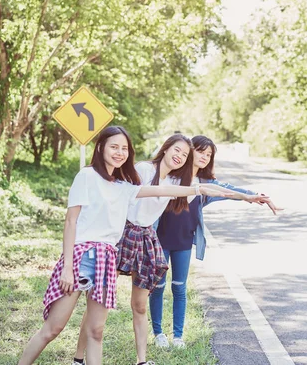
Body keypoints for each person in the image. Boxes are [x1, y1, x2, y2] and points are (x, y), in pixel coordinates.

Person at [18, 126, 229, 365]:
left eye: (124, 149)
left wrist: (242, 195)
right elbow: (70, 222)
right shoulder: (86, 176)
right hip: (81, 257)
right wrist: (67, 267)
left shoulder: (125, 187)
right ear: (101, 148)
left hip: (107, 258)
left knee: (97, 332)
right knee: (53, 329)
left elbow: (181, 188)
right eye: (114, 147)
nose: (119, 152)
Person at [72, 134, 266, 365]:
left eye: (184, 155)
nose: (180, 157)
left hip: (145, 238)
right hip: (121, 234)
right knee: (99, 300)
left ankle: (142, 361)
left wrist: (247, 197)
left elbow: (212, 189)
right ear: (165, 149)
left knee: (140, 304)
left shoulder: (176, 184)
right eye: (177, 151)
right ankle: (78, 358)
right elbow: (114, 189)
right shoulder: (143, 169)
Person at [150, 135, 282, 349]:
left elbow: (228, 190)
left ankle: (177, 336)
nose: (204, 157)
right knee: (158, 286)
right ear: (190, 151)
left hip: (184, 242)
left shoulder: (206, 184)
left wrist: (254, 195)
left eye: (209, 154)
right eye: (200, 151)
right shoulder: (171, 177)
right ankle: (158, 333)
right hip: (160, 241)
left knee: (179, 288)